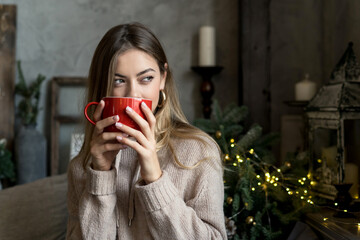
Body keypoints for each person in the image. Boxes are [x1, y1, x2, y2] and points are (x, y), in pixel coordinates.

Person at [66, 22, 227, 240]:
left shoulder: (199, 153)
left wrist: (155, 179)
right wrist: (100, 176)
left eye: (146, 78)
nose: (134, 94)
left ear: (163, 78)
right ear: (102, 87)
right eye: (118, 80)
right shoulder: (82, 166)